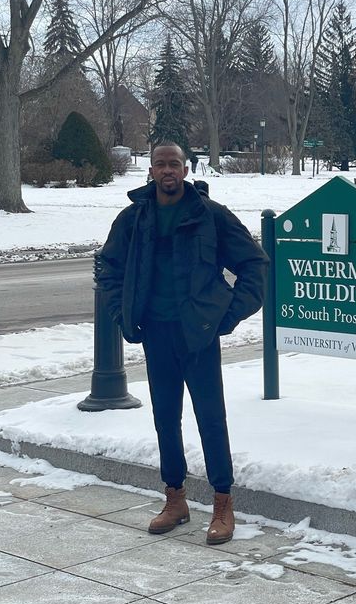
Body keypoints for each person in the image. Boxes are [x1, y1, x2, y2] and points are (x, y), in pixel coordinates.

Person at [98, 142, 268, 544]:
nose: (168, 170)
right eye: (160, 164)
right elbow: (109, 267)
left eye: (175, 163)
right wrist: (123, 315)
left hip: (198, 335)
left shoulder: (210, 216)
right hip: (157, 333)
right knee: (165, 418)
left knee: (211, 419)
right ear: (152, 170)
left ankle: (223, 503)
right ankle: (174, 498)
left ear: (186, 169)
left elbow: (254, 265)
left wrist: (224, 317)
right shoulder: (134, 219)